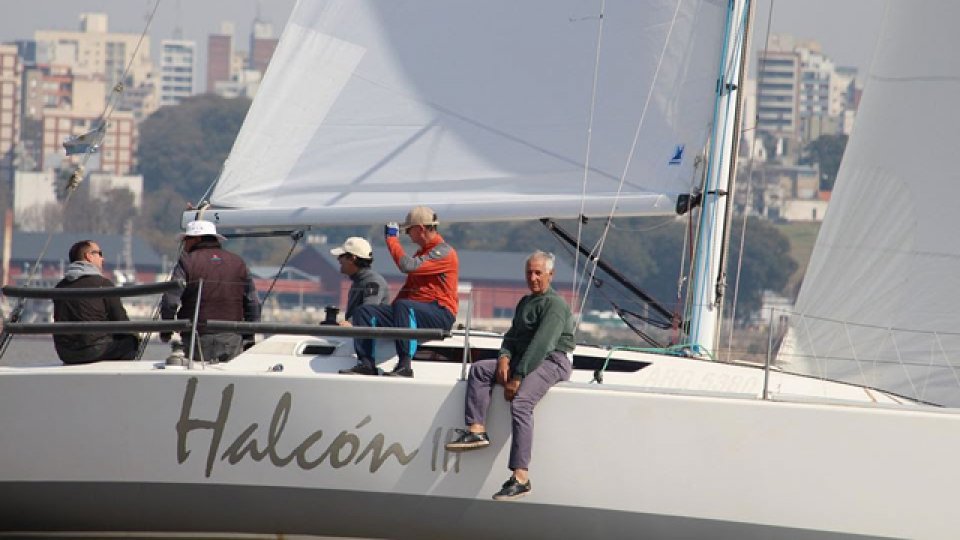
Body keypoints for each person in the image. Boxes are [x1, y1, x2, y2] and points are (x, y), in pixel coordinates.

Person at [445, 250, 574, 501]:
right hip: (526, 358)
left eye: (539, 273)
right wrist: (504, 357)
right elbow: (512, 337)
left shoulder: (555, 304)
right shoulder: (525, 302)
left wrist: (517, 376)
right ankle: (477, 429)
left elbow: (542, 344)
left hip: (553, 359)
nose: (533, 278)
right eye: (529, 273)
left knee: (522, 402)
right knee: (481, 369)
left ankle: (521, 477)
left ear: (551, 274)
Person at [341, 206, 459, 377]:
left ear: (420, 229)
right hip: (414, 310)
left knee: (404, 306)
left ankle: (405, 366)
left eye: (408, 230)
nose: (408, 235)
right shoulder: (423, 253)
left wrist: (391, 239)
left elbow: (406, 266)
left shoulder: (444, 252)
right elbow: (408, 289)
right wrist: (390, 311)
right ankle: (366, 364)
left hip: (441, 313)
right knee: (365, 311)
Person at [160, 220, 261, 363]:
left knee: (197, 379)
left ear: (197, 239)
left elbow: (170, 301)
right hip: (232, 337)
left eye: (186, 240)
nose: (184, 245)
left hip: (197, 335)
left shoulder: (186, 261)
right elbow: (253, 303)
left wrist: (166, 330)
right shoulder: (238, 263)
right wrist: (249, 337)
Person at [52, 240, 140, 364]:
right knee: (131, 341)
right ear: (88, 256)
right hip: (94, 350)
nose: (102, 258)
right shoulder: (103, 284)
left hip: (65, 353)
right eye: (99, 253)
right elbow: (121, 320)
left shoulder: (60, 287)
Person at [330, 236, 389, 325]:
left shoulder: (373, 282)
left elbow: (368, 310)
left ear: (352, 258)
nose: (338, 259)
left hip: (370, 338)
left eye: (341, 256)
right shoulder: (359, 280)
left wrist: (350, 323)